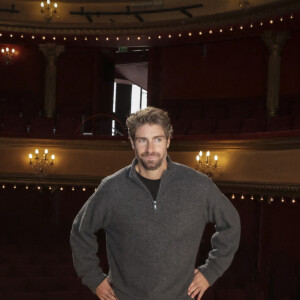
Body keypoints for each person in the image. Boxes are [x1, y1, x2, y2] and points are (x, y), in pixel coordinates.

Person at [70, 106, 241, 300]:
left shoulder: (198, 186)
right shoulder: (111, 188)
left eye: (157, 139)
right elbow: (80, 231)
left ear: (168, 140)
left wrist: (210, 272)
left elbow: (231, 225)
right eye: (143, 140)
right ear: (133, 143)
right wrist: (94, 279)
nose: (150, 149)